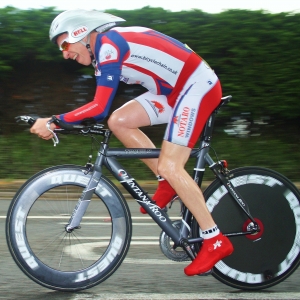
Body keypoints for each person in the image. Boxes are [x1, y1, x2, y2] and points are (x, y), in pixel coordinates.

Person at [30, 9, 233, 275]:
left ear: (80, 31)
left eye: (65, 45)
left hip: (197, 87)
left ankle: (215, 239)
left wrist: (55, 120)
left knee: (172, 165)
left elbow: (99, 107)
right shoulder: (103, 52)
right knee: (119, 121)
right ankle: (165, 184)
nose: (65, 53)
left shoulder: (109, 47)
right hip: (173, 91)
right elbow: (106, 114)